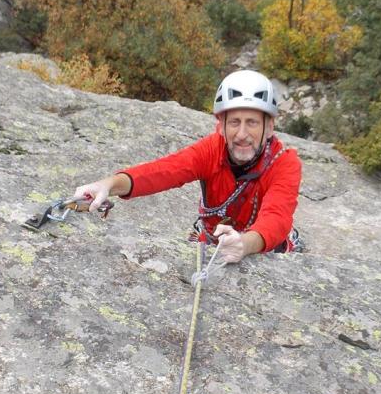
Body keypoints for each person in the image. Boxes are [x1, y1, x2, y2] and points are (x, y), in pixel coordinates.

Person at [72, 69, 303, 263]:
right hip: (215, 239)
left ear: (269, 126)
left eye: (252, 122)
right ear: (221, 125)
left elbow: (277, 217)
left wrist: (244, 243)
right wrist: (108, 185)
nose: (242, 134)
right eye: (234, 122)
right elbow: (163, 171)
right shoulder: (212, 150)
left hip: (259, 246)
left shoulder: (284, 163)